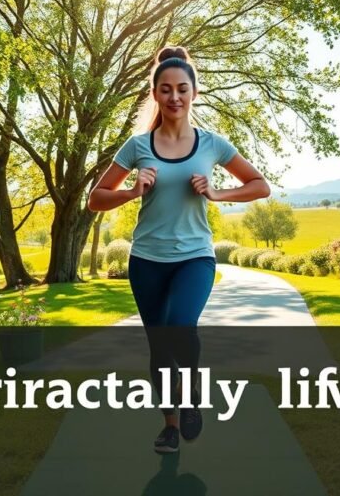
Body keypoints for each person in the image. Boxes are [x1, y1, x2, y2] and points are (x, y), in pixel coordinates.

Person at [88, 47, 270, 454]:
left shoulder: (212, 144)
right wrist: (133, 190)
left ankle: (189, 399)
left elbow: (260, 184)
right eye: (166, 89)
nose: (174, 97)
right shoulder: (137, 146)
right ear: (154, 93)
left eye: (182, 89)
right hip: (147, 260)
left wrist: (218, 193)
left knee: (180, 325)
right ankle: (170, 425)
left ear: (194, 92)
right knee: (158, 346)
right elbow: (95, 198)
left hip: (194, 257)